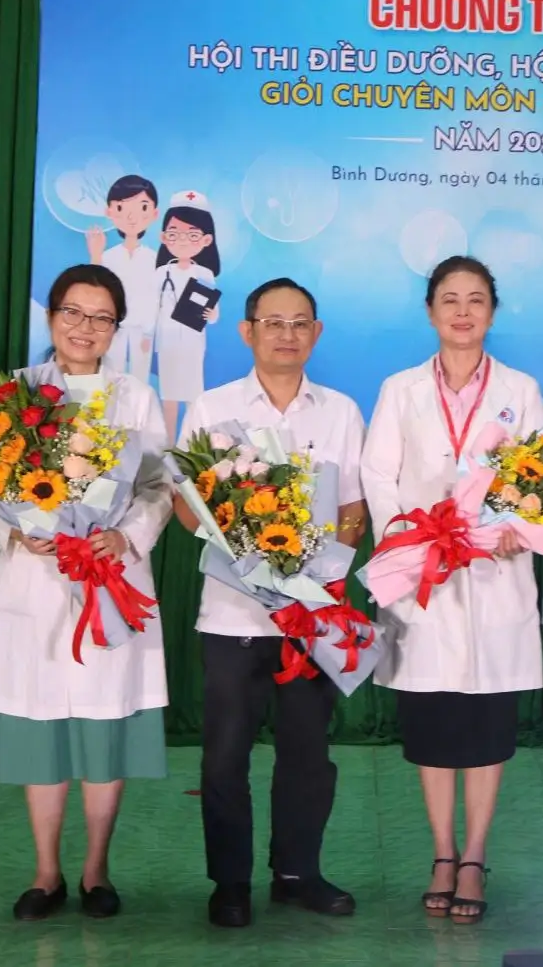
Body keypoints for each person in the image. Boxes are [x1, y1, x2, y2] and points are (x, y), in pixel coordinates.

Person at [0, 264, 174, 922]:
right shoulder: (15, 396)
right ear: (52, 316)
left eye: (101, 317)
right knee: (41, 726)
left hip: (108, 578)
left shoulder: (135, 398)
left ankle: (96, 871)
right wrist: (14, 530)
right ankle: (46, 872)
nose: (86, 327)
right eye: (73, 313)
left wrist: (127, 537)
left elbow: (158, 486)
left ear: (117, 328)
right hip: (36, 579)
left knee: (104, 725)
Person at [172, 277, 368, 928]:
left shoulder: (340, 411)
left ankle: (296, 873)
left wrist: (318, 575)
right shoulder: (212, 407)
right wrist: (244, 549)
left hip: (310, 616)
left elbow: (353, 510)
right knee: (225, 755)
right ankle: (230, 882)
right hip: (232, 614)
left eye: (300, 322)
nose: (287, 333)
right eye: (273, 322)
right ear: (247, 330)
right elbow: (185, 506)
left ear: (316, 332)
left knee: (308, 753)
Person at [361, 255, 543, 925]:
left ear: (492, 311)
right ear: (431, 311)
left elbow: (540, 476)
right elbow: (378, 474)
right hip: (425, 576)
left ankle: (475, 854)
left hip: (494, 570)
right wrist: (411, 540)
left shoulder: (522, 389)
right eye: (450, 299)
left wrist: (517, 528)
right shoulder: (401, 389)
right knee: (433, 723)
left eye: (475, 299)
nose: (463, 311)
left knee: (488, 725)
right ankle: (442, 851)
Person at [154, 190, 223, 434]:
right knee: (169, 396)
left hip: (193, 342)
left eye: (192, 235)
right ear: (164, 237)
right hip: (167, 342)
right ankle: (168, 445)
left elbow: (214, 314)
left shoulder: (205, 274)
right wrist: (147, 336)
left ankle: (192, 442)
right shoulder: (161, 273)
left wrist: (210, 314)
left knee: (194, 396)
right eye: (174, 234)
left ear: (206, 240)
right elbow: (152, 307)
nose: (182, 241)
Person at [86, 175, 162, 384]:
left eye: (143, 207)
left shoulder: (154, 258)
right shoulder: (107, 256)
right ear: (109, 212)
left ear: (154, 213)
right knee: (111, 373)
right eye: (121, 208)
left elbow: (155, 296)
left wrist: (149, 331)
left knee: (140, 376)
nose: (131, 217)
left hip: (143, 328)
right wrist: (95, 255)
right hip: (113, 326)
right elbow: (96, 289)